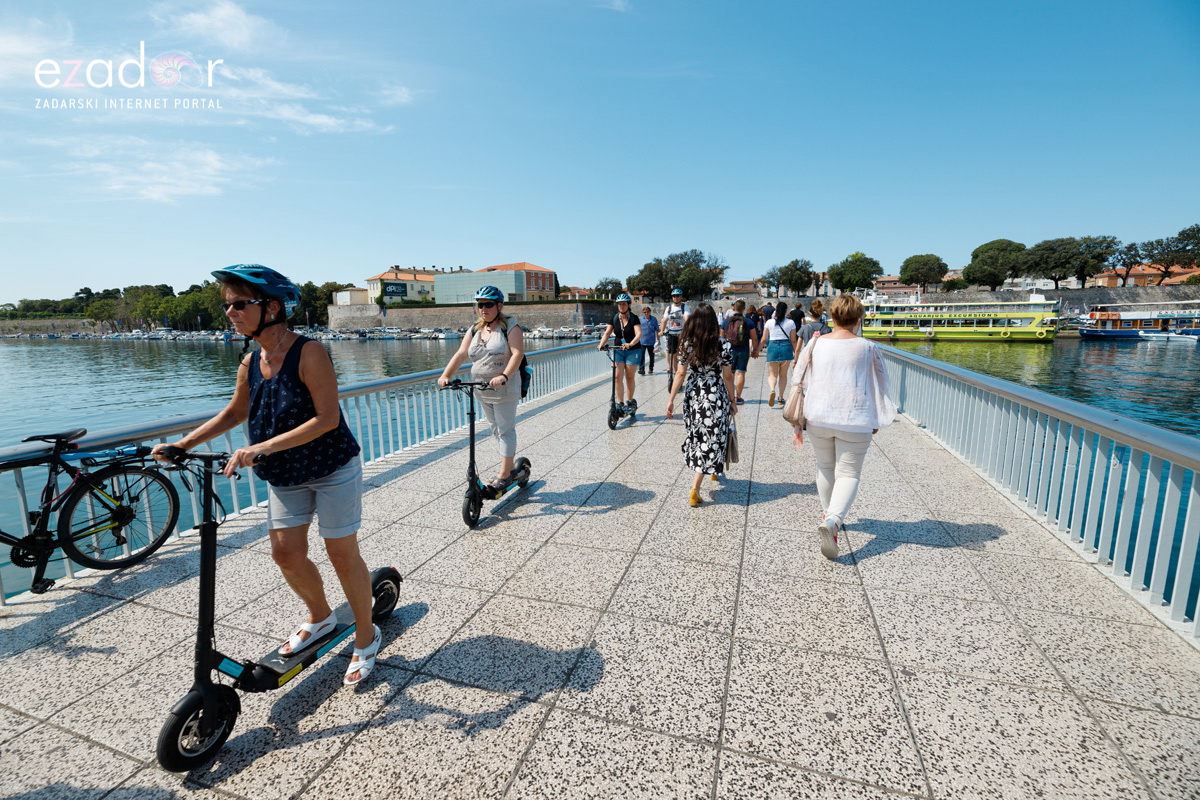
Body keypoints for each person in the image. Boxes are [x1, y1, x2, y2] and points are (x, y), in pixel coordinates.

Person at [154, 264, 379, 686]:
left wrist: (262, 447)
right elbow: (235, 413)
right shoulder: (250, 361)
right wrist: (183, 444)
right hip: (286, 474)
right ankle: (321, 616)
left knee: (340, 552)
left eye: (239, 304)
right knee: (285, 553)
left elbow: (328, 419)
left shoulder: (308, 352)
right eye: (227, 306)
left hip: (331, 468)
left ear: (271, 307)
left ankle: (366, 635)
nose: (230, 313)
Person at [791, 294, 896, 559]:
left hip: (818, 417)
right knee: (848, 473)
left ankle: (829, 517)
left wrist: (798, 421)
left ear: (833, 317)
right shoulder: (868, 347)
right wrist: (878, 417)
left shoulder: (815, 344)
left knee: (825, 467)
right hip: (856, 418)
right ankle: (833, 520)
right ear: (858, 318)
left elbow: (798, 378)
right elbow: (881, 384)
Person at [438, 286, 526, 491]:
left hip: (504, 387)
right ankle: (507, 465)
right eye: (480, 305)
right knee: (495, 429)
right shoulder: (475, 329)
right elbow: (461, 354)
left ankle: (506, 473)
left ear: (499, 306)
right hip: (481, 388)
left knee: (505, 429)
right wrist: (446, 375)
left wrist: (504, 376)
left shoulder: (511, 327)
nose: (483, 309)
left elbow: (517, 354)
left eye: (488, 304)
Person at [665, 304, 737, 507]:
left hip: (694, 392)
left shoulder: (687, 343)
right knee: (713, 435)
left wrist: (670, 400)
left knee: (698, 435)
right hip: (715, 393)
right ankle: (695, 487)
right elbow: (728, 376)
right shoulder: (723, 344)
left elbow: (680, 374)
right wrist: (733, 400)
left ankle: (712, 469)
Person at [597, 293, 642, 414]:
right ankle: (620, 403)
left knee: (629, 377)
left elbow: (638, 334)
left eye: (623, 304)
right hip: (618, 350)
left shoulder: (634, 318)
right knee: (617, 377)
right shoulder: (615, 318)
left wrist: (630, 344)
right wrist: (601, 344)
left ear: (628, 305)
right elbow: (607, 333)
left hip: (633, 350)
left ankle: (629, 400)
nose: (621, 306)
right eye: (619, 304)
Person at [722, 299, 760, 405]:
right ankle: (738, 397)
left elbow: (721, 338)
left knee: (730, 374)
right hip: (743, 350)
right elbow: (754, 338)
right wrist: (755, 350)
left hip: (729, 350)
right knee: (740, 373)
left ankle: (730, 397)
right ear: (744, 309)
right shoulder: (748, 322)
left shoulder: (726, 321)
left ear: (734, 308)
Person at [763, 301, 798, 408]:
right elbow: (793, 340)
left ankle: (772, 390)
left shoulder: (769, 322)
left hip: (773, 347)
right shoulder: (791, 323)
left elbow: (764, 338)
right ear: (786, 310)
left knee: (772, 374)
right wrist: (797, 353)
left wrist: (756, 350)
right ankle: (780, 397)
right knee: (783, 375)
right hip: (786, 348)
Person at [660, 288, 690, 376]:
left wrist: (687, 330)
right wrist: (661, 330)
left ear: (681, 297)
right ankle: (676, 373)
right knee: (673, 354)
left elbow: (686, 319)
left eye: (677, 296)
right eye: (674, 296)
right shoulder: (669, 308)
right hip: (671, 333)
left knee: (682, 354)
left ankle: (682, 372)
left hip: (681, 333)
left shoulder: (685, 307)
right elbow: (664, 320)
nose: (676, 298)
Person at [637, 305, 659, 375]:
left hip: (651, 342)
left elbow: (657, 330)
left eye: (647, 312)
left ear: (650, 312)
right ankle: (641, 369)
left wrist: (658, 340)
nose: (646, 313)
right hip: (642, 341)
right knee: (641, 356)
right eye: (644, 312)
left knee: (651, 356)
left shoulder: (654, 319)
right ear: (643, 313)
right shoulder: (640, 319)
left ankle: (651, 368)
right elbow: (637, 329)